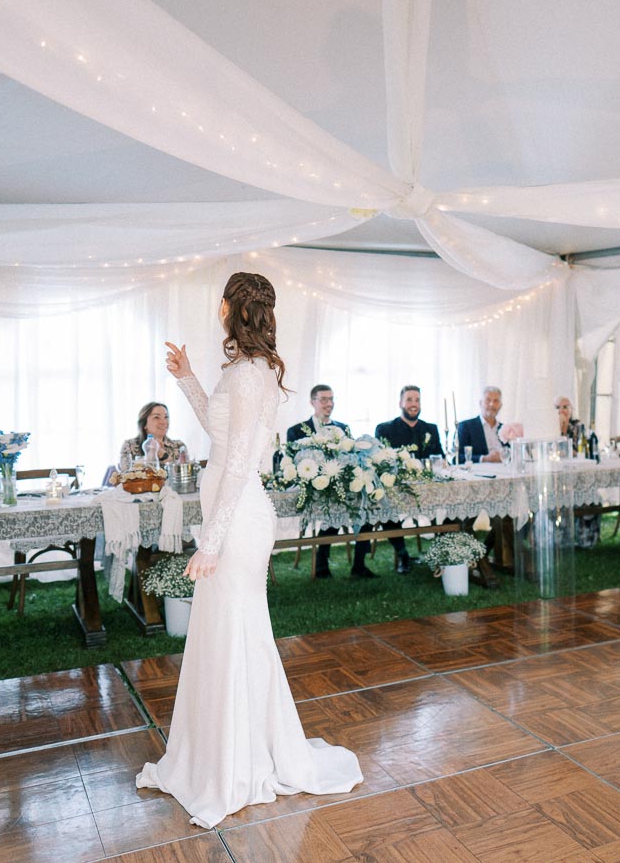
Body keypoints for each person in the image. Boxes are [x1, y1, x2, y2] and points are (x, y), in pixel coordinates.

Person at [139, 271, 362, 827]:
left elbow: (240, 459)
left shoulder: (251, 374)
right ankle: (220, 752)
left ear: (231, 308)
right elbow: (223, 437)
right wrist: (189, 378)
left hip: (236, 520)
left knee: (236, 631)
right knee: (221, 632)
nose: (215, 307)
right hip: (228, 511)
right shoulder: (244, 370)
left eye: (220, 300)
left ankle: (238, 764)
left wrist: (212, 539)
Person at [286, 385, 373, 579]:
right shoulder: (296, 431)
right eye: (324, 399)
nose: (329, 404)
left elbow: (352, 458)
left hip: (343, 488)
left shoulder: (343, 429)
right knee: (332, 507)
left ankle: (359, 565)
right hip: (314, 490)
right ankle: (321, 563)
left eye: (331, 399)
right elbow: (294, 462)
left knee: (367, 506)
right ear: (312, 402)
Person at [371, 385, 442, 573]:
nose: (414, 404)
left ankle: (443, 551)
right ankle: (402, 554)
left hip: (428, 487)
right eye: (409, 400)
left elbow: (440, 459)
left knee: (449, 504)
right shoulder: (385, 429)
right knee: (386, 505)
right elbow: (381, 461)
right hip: (397, 486)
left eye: (417, 400)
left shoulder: (431, 429)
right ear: (400, 403)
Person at [556, 396, 600, 548]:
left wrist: (564, 430)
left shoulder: (578, 426)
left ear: (571, 410)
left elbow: (579, 452)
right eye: (558, 407)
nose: (562, 411)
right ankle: (560, 540)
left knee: (589, 493)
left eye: (566, 407)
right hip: (557, 478)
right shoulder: (547, 427)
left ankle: (587, 539)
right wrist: (560, 430)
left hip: (578, 475)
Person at [119, 402, 188, 465]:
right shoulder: (129, 445)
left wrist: (163, 454)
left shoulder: (179, 446)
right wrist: (151, 453)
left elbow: (184, 473)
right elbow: (125, 473)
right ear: (144, 424)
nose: (164, 422)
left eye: (166, 417)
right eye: (156, 417)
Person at [455, 387, 506, 463]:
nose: (492, 404)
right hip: (479, 472)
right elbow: (457, 457)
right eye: (488, 400)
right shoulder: (465, 427)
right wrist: (484, 458)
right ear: (480, 403)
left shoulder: (505, 429)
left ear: (500, 405)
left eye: (496, 401)